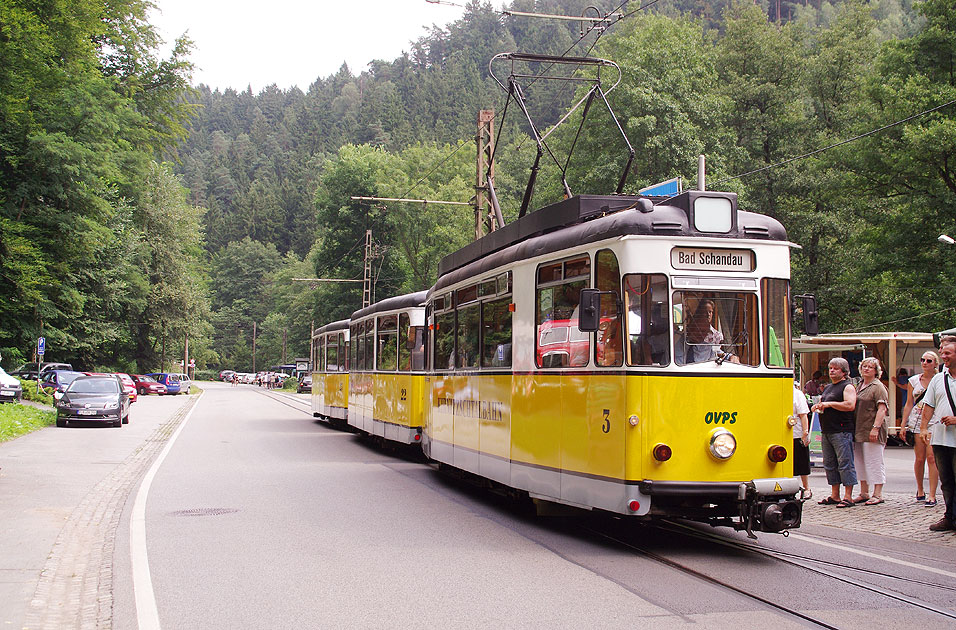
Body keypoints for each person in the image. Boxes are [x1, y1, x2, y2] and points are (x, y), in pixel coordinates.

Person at [919, 338, 956, 532]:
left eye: (948, 353)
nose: (944, 356)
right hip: (941, 438)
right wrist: (924, 428)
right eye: (942, 353)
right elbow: (929, 405)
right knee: (947, 481)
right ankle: (950, 517)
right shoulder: (938, 378)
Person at [811, 357, 858, 508]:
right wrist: (819, 407)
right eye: (830, 368)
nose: (831, 371)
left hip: (842, 430)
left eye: (835, 368)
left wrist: (829, 404)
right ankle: (835, 494)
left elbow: (850, 405)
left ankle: (848, 496)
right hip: (827, 430)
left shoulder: (848, 386)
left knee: (845, 462)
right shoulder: (830, 387)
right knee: (830, 463)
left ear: (844, 372)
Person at [902, 351, 940, 504]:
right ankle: (920, 488)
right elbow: (909, 403)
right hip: (917, 421)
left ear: (935, 364)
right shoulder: (914, 381)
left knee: (932, 458)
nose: (924, 363)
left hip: (934, 421)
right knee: (919, 458)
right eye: (922, 359)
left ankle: (932, 493)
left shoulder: (939, 379)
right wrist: (903, 424)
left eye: (929, 360)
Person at [852, 358, 888, 505]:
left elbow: (882, 408)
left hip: (872, 428)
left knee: (874, 460)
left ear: (876, 371)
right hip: (859, 428)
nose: (866, 369)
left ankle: (878, 493)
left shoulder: (878, 387)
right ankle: (864, 491)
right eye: (864, 366)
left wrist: (875, 428)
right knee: (860, 461)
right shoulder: (859, 385)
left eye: (870, 367)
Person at [675, 299, 723, 365]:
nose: (708, 315)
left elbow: (717, 353)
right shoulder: (680, 337)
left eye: (710, 312)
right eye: (705, 312)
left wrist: (730, 356)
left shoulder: (715, 337)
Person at [791, 381, 812, 498]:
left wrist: (805, 432)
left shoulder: (797, 394)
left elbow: (803, 414)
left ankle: (806, 488)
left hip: (796, 433)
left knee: (801, 462)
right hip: (781, 434)